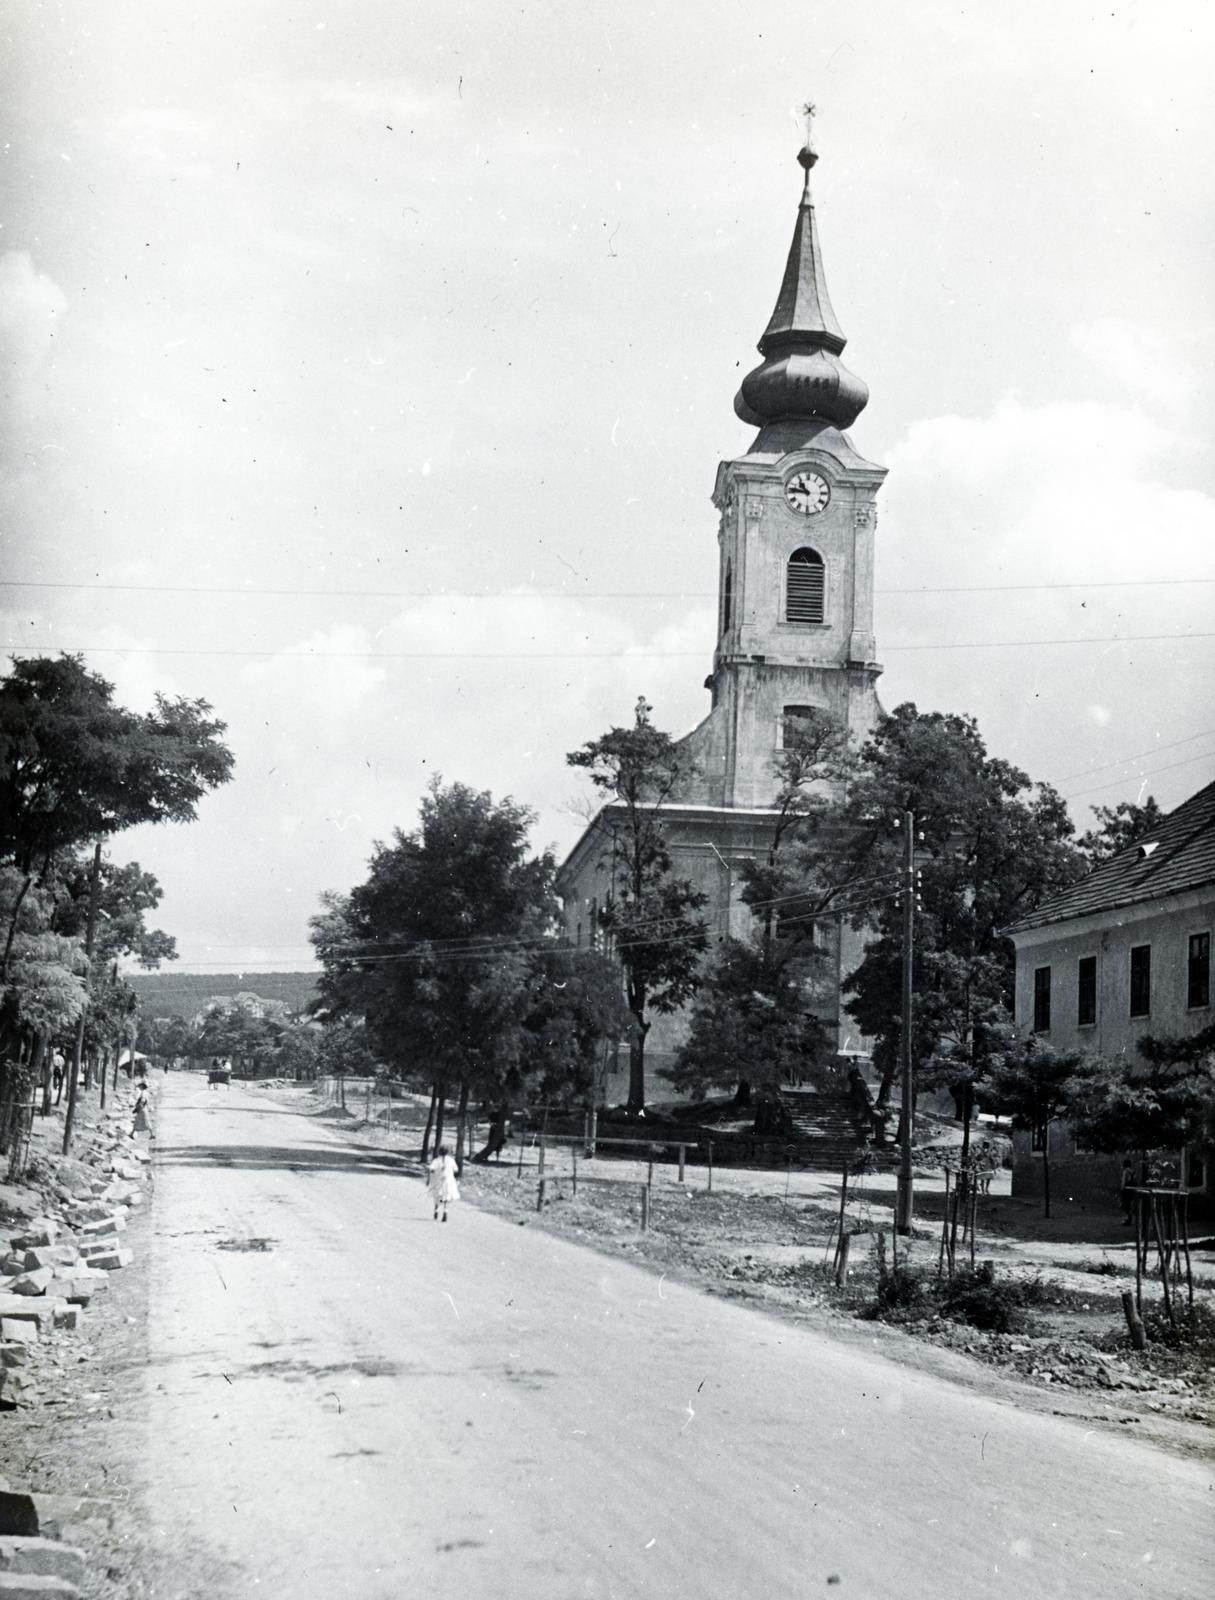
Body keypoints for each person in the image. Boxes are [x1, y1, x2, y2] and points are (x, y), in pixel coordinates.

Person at [427, 1144, 460, 1223]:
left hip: (438, 1180)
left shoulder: (436, 1160)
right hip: (448, 1181)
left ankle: (436, 1209)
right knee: (446, 1197)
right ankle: (445, 1210)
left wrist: (432, 1174)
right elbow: (456, 1169)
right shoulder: (451, 1160)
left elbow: (431, 1168)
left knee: (437, 1196)